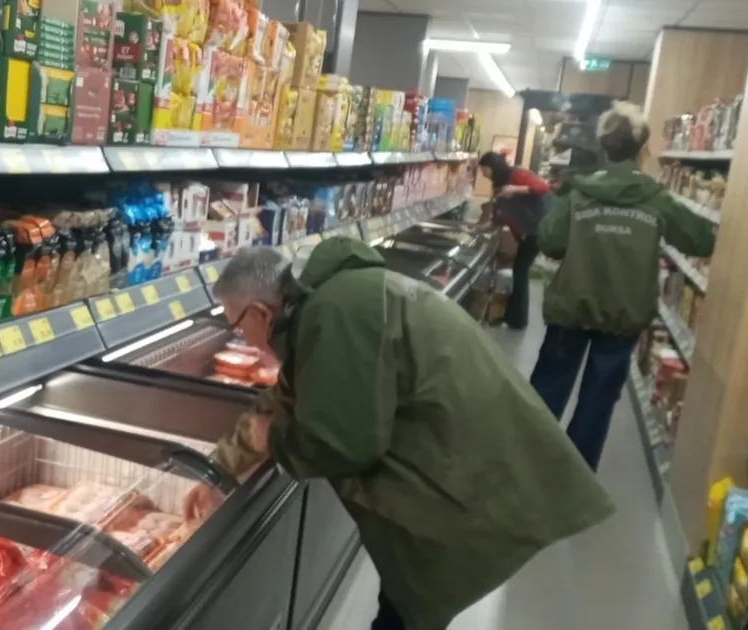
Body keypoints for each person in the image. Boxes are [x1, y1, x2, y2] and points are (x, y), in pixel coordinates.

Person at [185, 240, 615, 630]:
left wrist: (274, 440)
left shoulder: (334, 315)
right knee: (402, 605)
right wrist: (218, 468)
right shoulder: (329, 300)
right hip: (461, 461)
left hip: (468, 479)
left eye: (236, 325)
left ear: (260, 313)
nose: (241, 337)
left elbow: (344, 444)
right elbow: (289, 392)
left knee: (407, 612)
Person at [532, 101, 716, 470]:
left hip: (571, 306)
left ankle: (527, 463)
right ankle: (576, 479)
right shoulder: (656, 199)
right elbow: (701, 241)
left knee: (548, 388)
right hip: (624, 314)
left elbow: (549, 241)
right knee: (598, 399)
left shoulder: (579, 193)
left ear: (603, 146)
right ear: (643, 148)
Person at [478, 151, 553, 329]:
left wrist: (517, 189)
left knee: (520, 271)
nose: (483, 173)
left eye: (483, 169)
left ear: (491, 167)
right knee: (520, 271)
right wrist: (483, 226)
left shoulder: (517, 174)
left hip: (537, 230)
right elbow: (501, 214)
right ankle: (513, 317)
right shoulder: (499, 185)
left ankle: (517, 319)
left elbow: (543, 187)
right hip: (526, 233)